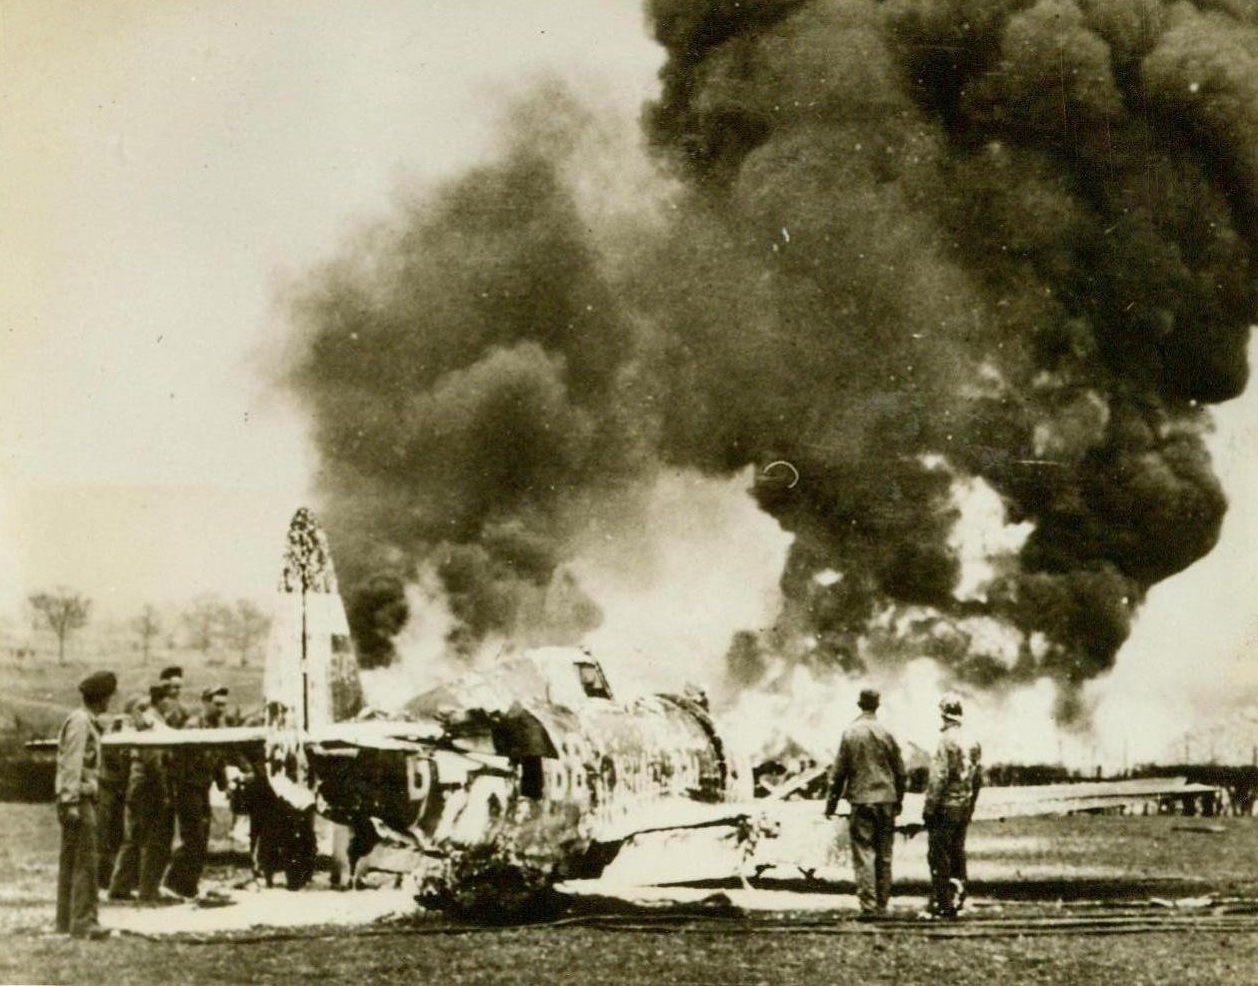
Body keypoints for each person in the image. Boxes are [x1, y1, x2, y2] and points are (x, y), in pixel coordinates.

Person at [824, 687, 906, 919]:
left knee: (863, 853)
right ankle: (882, 904)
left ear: (859, 704)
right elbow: (900, 771)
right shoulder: (887, 732)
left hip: (861, 801)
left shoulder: (850, 733)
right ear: (877, 705)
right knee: (885, 854)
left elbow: (838, 774)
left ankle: (868, 907)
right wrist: (898, 799)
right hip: (886, 800)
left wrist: (830, 805)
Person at [56, 669, 117, 939]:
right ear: (100, 698)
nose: (109, 702)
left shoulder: (85, 720)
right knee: (85, 862)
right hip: (79, 799)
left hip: (76, 798)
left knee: (72, 861)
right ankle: (84, 922)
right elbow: (72, 762)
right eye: (107, 697)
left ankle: (66, 920)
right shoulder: (81, 722)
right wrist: (70, 800)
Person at [109, 685, 176, 903]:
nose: (172, 702)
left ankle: (120, 887)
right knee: (154, 840)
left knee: (134, 839)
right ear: (161, 700)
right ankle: (148, 891)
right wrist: (164, 793)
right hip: (149, 786)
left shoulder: (148, 721)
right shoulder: (152, 724)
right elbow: (153, 760)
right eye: (169, 698)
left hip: (138, 785)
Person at [164, 685, 233, 898]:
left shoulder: (219, 727)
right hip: (187, 788)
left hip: (203, 787)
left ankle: (188, 886)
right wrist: (176, 787)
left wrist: (224, 784)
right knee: (193, 838)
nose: (221, 709)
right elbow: (176, 759)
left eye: (223, 704)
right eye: (217, 704)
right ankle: (173, 883)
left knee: (202, 839)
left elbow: (219, 758)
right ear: (205, 702)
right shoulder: (193, 727)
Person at [922, 694, 983, 919]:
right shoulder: (973, 741)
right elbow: (978, 778)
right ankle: (958, 898)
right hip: (963, 805)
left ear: (943, 715)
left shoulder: (945, 741)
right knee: (958, 853)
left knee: (938, 855)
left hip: (945, 806)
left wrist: (929, 808)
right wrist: (970, 805)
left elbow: (939, 777)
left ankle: (943, 903)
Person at [95, 698, 135, 891]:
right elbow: (110, 756)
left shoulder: (131, 728)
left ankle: (110, 876)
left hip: (120, 788)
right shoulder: (116, 727)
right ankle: (101, 877)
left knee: (118, 833)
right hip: (107, 787)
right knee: (104, 833)